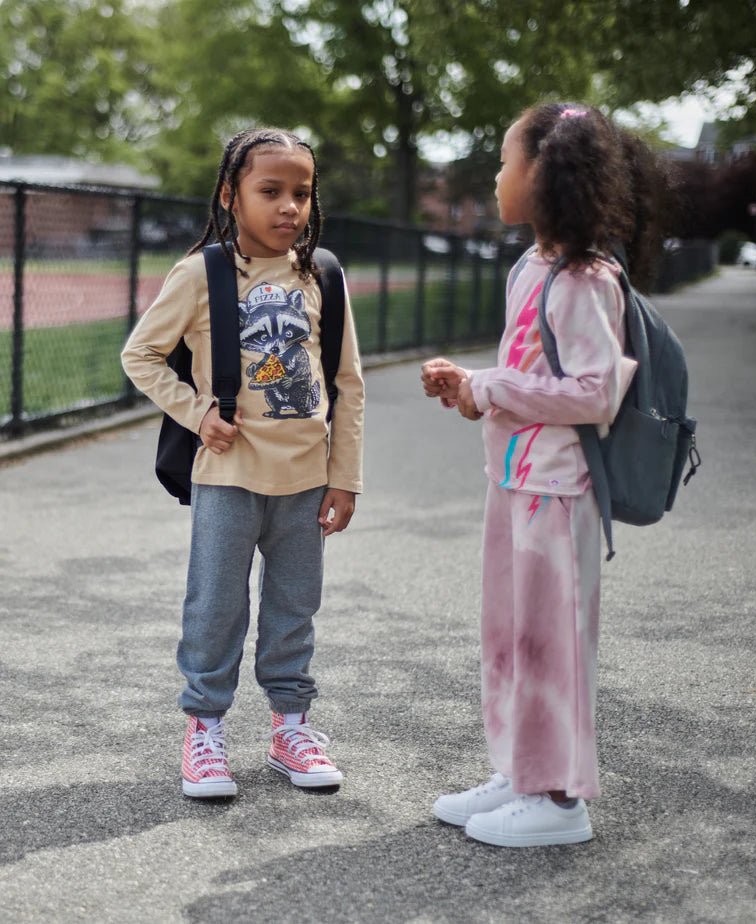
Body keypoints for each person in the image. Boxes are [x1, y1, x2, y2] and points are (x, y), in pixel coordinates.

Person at [421, 103, 670, 846]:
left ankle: (562, 802)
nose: (497, 176)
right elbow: (533, 374)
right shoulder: (530, 266)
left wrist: (489, 388)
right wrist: (474, 390)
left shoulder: (585, 279)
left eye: (506, 162)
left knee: (553, 643)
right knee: (511, 635)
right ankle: (522, 770)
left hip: (561, 493)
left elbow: (597, 391)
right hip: (516, 482)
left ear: (546, 173)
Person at [122, 128, 364, 799]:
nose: (290, 207)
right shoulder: (202, 272)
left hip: (307, 480)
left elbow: (346, 384)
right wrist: (196, 411)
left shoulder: (323, 275)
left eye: (302, 193)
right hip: (227, 474)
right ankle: (204, 729)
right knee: (217, 606)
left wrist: (345, 476)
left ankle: (292, 729)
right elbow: (140, 355)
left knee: (295, 606)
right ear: (231, 195)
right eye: (271, 191)